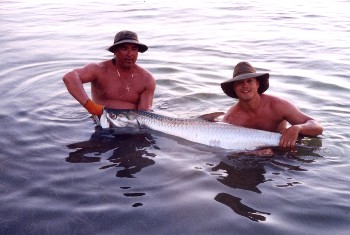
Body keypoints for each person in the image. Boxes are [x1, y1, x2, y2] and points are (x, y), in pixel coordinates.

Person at [220, 61, 323, 150]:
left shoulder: (277, 105)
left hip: (285, 150)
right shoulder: (230, 119)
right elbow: (227, 150)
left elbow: (317, 126)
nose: (245, 85)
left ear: (257, 84)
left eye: (249, 81)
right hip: (253, 158)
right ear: (234, 87)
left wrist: (297, 128)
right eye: (240, 82)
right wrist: (254, 154)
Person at [63, 30, 156, 117]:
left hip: (132, 125)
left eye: (134, 49)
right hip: (101, 122)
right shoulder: (99, 69)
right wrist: (91, 107)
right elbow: (69, 77)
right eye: (124, 48)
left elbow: (144, 112)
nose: (130, 54)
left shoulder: (147, 79)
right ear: (115, 51)